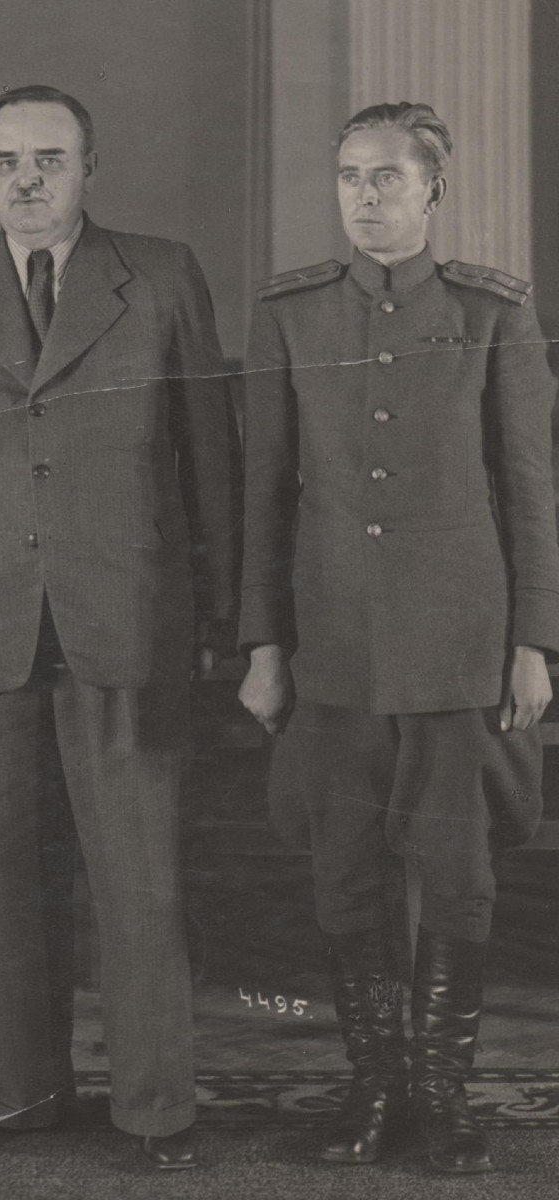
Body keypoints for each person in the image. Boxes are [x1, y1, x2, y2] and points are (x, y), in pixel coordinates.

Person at [0, 85, 238, 1169]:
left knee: (137, 878)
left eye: (50, 158)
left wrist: (225, 622)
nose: (27, 179)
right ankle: (20, 1094)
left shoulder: (162, 274)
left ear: (93, 166)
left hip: (127, 619)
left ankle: (156, 1109)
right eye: (6, 160)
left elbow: (212, 465)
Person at [238, 102, 559, 1176]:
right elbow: (263, 500)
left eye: (387, 177)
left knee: (457, 878)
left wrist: (535, 642)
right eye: (348, 175)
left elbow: (530, 492)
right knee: (347, 879)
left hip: (459, 643)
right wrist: (262, 642)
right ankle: (372, 1093)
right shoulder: (291, 316)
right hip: (331, 644)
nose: (365, 195)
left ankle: (443, 1102)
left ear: (435, 192)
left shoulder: (490, 315)